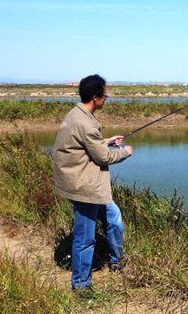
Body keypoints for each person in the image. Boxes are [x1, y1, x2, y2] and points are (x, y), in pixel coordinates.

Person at [53, 74, 133, 293]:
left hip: (82, 182)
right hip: (84, 187)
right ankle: (81, 284)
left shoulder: (77, 114)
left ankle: (116, 261)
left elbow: (87, 145)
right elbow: (103, 157)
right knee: (85, 237)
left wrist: (106, 141)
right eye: (105, 95)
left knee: (114, 219)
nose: (106, 99)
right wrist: (124, 152)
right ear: (96, 97)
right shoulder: (85, 123)